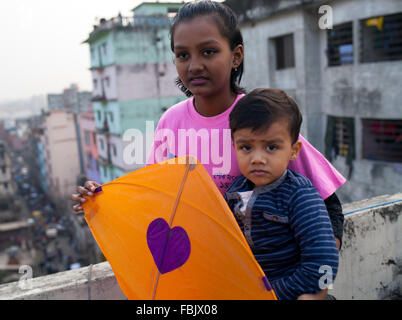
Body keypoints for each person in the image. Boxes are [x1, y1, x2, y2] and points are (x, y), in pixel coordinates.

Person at [70, 0, 345, 293]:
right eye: (182, 54)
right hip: (209, 282)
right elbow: (157, 205)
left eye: (209, 51)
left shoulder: (262, 120)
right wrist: (101, 201)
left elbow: (329, 206)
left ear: (236, 55)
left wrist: (317, 287)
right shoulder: (170, 123)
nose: (194, 65)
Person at [225, 88, 339, 300]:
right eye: (246, 147)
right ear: (234, 147)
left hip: (293, 292)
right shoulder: (233, 193)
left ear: (294, 150)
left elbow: (324, 260)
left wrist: (314, 294)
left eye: (271, 147)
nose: (257, 158)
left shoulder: (299, 195)